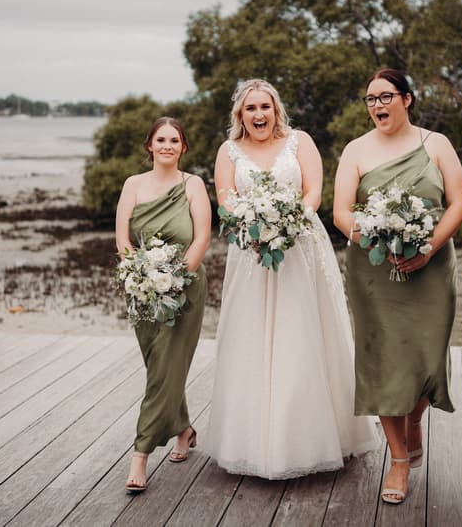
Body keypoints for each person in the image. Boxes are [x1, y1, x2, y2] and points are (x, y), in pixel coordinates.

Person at [207, 79, 378, 479]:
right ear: (240, 115)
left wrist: (285, 223)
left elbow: (313, 193)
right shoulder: (228, 151)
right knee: (251, 337)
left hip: (299, 247)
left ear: (276, 109)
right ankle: (253, 443)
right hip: (250, 252)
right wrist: (254, 223)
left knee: (302, 336)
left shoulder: (299, 141)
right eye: (251, 109)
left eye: (265, 106)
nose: (259, 115)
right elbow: (226, 198)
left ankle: (313, 439)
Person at [333, 68, 462, 504]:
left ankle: (413, 420)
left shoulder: (436, 144)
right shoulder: (355, 150)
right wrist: (378, 238)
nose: (377, 105)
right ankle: (397, 459)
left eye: (385, 96)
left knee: (427, 357)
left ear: (407, 99)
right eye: (370, 99)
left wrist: (427, 248)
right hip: (374, 270)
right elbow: (339, 213)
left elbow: (459, 204)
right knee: (382, 360)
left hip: (431, 268)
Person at [115, 117, 211, 492]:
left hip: (184, 289)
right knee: (159, 365)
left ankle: (140, 454)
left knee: (163, 371)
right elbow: (123, 238)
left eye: (175, 140)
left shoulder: (193, 185)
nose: (168, 145)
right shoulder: (132, 185)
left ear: (183, 147)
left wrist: (174, 280)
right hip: (141, 289)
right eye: (161, 139)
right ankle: (184, 430)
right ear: (150, 146)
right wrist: (140, 274)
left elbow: (202, 236)